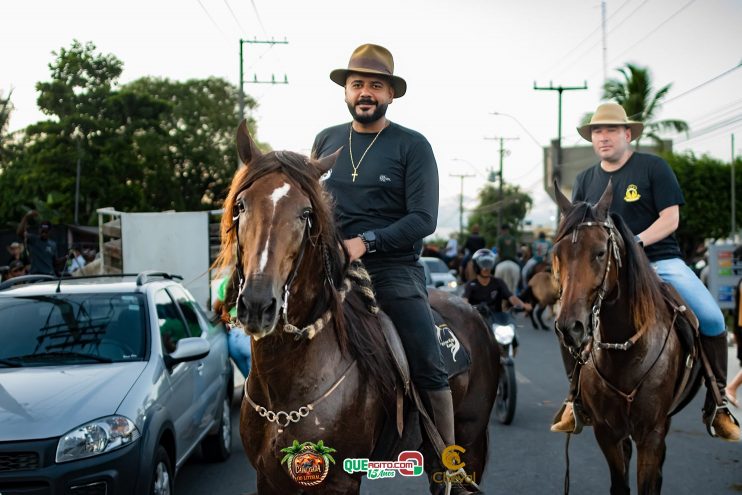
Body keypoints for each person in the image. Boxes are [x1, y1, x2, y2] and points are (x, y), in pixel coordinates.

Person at [312, 44, 458, 484]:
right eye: (357, 84)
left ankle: (449, 466)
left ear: (390, 94)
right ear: (346, 92)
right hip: (330, 267)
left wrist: (366, 242)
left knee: (427, 361)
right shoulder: (326, 139)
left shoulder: (412, 145)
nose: (365, 92)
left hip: (392, 270)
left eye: (376, 84)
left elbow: (423, 219)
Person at [551, 102, 739, 441]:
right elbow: (575, 231)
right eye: (597, 132)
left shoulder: (654, 167)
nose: (603, 137)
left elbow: (671, 219)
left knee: (711, 319)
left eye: (610, 131)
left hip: (659, 262)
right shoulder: (585, 179)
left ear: (627, 134)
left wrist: (634, 244)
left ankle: (719, 403)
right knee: (565, 318)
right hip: (604, 270)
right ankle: (575, 400)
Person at [464, 249, 531, 352]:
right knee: (470, 346)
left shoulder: (498, 282)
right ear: (477, 267)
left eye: (489, 264)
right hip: (477, 320)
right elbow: (464, 301)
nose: (487, 268)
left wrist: (523, 305)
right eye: (483, 264)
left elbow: (511, 297)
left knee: (513, 340)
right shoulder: (471, 285)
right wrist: (466, 308)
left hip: (497, 319)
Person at [213, 276, 251, 378]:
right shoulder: (256, 281)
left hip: (232, 340)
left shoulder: (227, 281)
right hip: (250, 339)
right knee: (258, 386)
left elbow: (216, 306)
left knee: (249, 381)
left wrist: (225, 311)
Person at [17, 211, 59, 276]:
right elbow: (20, 233)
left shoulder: (53, 244)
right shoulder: (33, 239)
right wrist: (26, 217)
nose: (44, 233)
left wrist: (66, 257)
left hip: (49, 276)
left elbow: (55, 262)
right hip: (36, 276)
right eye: (42, 231)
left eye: (46, 232)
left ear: (50, 232)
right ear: (39, 230)